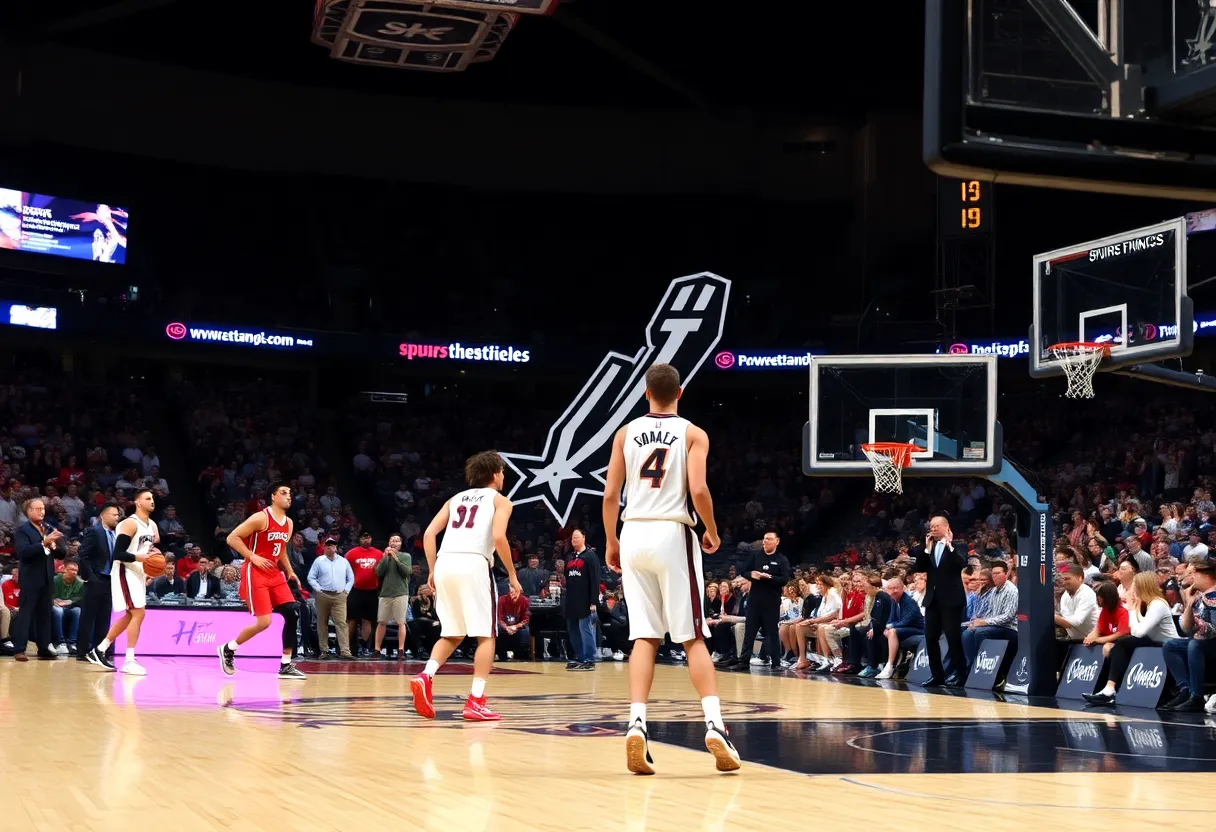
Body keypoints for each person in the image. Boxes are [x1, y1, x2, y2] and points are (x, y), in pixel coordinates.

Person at [602, 363, 741, 775]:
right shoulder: (694, 433)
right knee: (692, 636)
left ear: (646, 394)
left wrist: (612, 539)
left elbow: (611, 494)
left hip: (633, 533)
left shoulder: (625, 433)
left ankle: (636, 724)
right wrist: (711, 530)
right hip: (671, 532)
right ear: (680, 393)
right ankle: (715, 725)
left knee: (644, 636)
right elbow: (697, 489)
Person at [410, 451, 521, 722]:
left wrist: (433, 569)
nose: (504, 476)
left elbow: (428, 534)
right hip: (474, 563)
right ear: (495, 473)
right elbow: (498, 536)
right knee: (486, 635)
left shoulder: (454, 498)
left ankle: (426, 676)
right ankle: (476, 701)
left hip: (445, 563)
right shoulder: (501, 501)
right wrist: (513, 574)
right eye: (503, 472)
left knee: (453, 632)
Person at [216, 483, 307, 679]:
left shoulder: (289, 523)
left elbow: (280, 549)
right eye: (284, 493)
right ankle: (229, 649)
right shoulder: (260, 517)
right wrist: (253, 556)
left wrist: (290, 571)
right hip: (255, 571)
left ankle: (286, 664)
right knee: (264, 622)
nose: (289, 496)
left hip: (274, 573)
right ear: (273, 497)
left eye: (290, 493)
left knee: (292, 613)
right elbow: (232, 538)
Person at [84, 489, 158, 674]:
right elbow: (118, 553)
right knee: (139, 614)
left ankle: (99, 649)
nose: (152, 501)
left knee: (130, 615)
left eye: (153, 498)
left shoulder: (151, 525)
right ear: (137, 502)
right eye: (147, 498)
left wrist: (149, 569)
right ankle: (129, 660)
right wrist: (140, 559)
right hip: (125, 571)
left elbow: (149, 551)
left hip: (137, 572)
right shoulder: (130, 524)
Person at [906, 515, 968, 686]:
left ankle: (961, 675)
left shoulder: (958, 546)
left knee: (953, 638)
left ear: (946, 527)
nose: (932, 529)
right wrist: (925, 550)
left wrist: (949, 545)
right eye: (931, 526)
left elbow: (962, 563)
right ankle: (937, 675)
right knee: (930, 638)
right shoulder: (929, 547)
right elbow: (919, 567)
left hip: (952, 600)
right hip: (932, 599)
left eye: (936, 526)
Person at [727, 530, 790, 672]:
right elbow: (744, 571)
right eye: (764, 539)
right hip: (755, 601)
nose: (765, 541)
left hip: (771, 602)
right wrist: (752, 575)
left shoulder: (781, 559)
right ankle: (743, 661)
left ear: (777, 541)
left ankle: (776, 663)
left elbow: (785, 579)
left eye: (769, 539)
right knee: (749, 632)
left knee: (772, 633)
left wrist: (770, 578)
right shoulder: (756, 556)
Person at [11, 498, 65, 661]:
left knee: (45, 614)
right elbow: (23, 553)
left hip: (47, 577)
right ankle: (20, 649)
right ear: (29, 511)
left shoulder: (48, 528)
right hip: (30, 578)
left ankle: (43, 648)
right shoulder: (22, 530)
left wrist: (55, 545)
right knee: (26, 614)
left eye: (43, 508)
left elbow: (62, 554)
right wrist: (44, 543)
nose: (42, 511)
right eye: (38, 508)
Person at [1159, 561, 1216, 712]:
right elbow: (1187, 630)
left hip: (1212, 642)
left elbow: (1212, 630)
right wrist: (1189, 604)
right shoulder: (1198, 596)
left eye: (1194, 574)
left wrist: (1198, 628)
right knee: (1170, 645)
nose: (1191, 578)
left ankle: (1197, 696)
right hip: (1204, 642)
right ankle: (1185, 690)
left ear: (1207, 576)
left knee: (1194, 644)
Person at [75, 502, 120, 663]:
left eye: (118, 515)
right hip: (96, 578)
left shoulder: (116, 534)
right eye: (114, 515)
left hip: (110, 580)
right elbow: (83, 555)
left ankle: (99, 651)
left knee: (104, 617)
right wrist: (90, 577)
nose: (117, 517)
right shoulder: (94, 531)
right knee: (88, 616)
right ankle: (81, 651)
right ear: (104, 515)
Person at [373, 534, 411, 659]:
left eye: (397, 541)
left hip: (401, 593)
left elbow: (406, 572)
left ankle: (401, 650)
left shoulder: (405, 556)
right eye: (392, 540)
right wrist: (385, 558)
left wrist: (395, 557)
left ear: (400, 544)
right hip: (385, 593)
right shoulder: (384, 557)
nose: (394, 543)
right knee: (381, 622)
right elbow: (378, 573)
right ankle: (377, 649)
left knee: (401, 622)